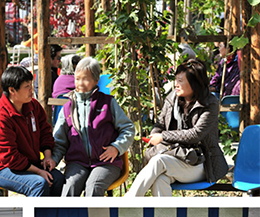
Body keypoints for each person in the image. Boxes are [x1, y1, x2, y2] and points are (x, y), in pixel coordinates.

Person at [127, 59, 228, 196]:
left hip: (202, 163)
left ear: (194, 83)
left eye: (180, 80)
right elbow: (160, 124)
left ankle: (126, 206)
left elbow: (195, 134)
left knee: (158, 160)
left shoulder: (209, 104)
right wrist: (154, 134)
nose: (176, 84)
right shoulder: (173, 98)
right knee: (160, 180)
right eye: (176, 79)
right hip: (176, 156)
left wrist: (163, 136)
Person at [52, 57, 135, 196]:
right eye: (77, 78)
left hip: (106, 162)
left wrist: (116, 147)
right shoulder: (68, 108)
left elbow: (128, 128)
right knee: (69, 187)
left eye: (86, 79)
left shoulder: (108, 103)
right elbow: (59, 141)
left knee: (94, 186)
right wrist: (53, 160)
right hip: (77, 162)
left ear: (96, 80)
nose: (80, 83)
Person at [0, 66, 65, 196]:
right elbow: (9, 157)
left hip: (28, 162)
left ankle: (51, 216)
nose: (31, 90)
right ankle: (33, 216)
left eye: (31, 85)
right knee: (39, 184)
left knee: (58, 179)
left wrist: (48, 156)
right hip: (1, 168)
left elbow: (45, 131)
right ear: (12, 90)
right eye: (27, 87)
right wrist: (38, 171)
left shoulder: (33, 105)